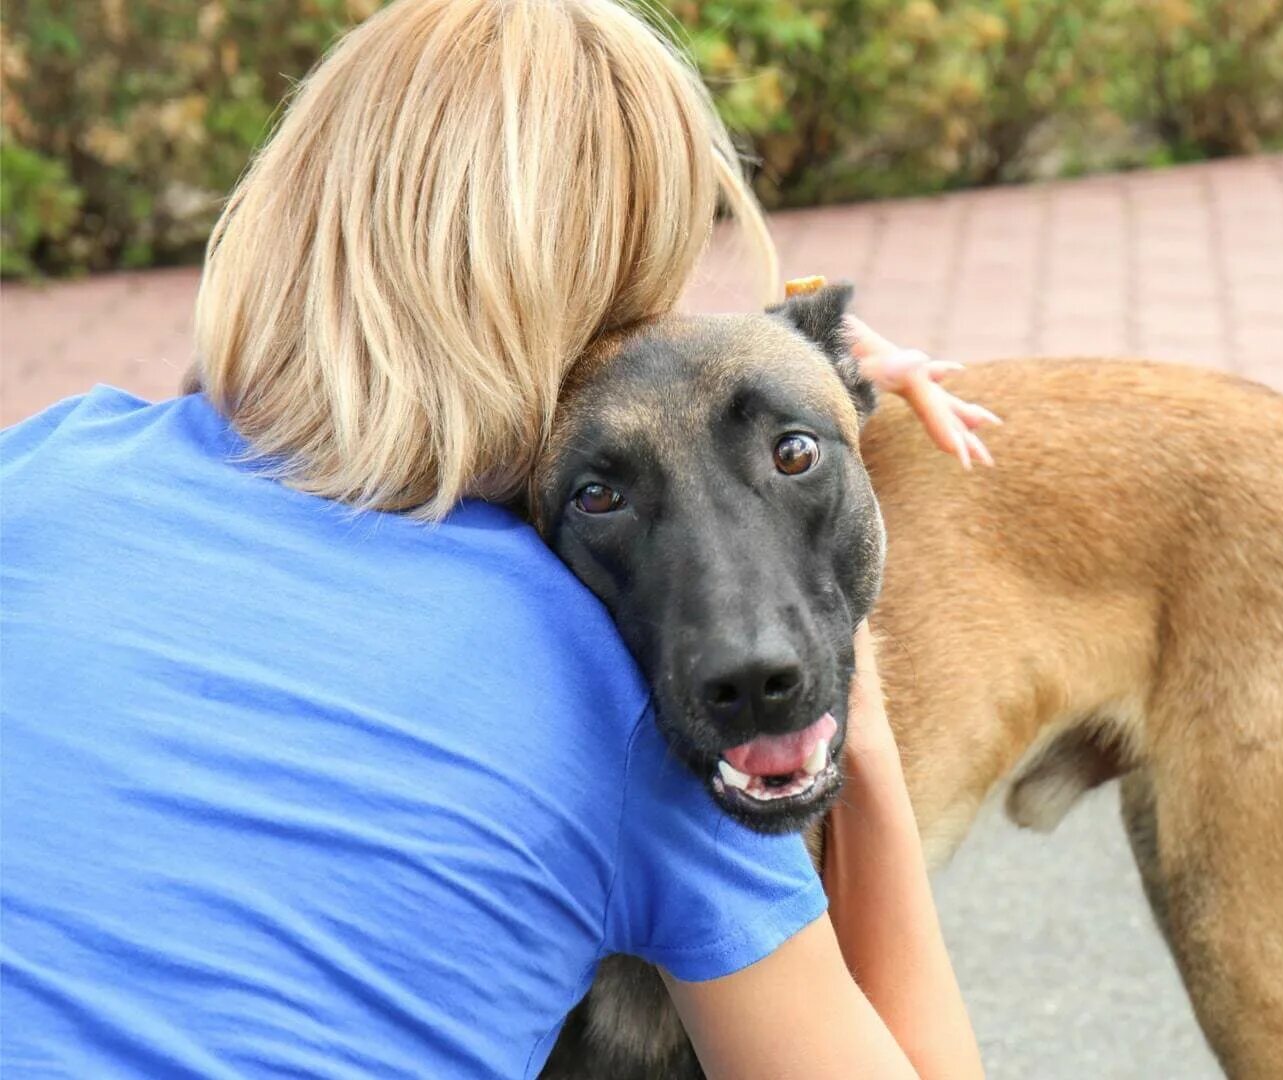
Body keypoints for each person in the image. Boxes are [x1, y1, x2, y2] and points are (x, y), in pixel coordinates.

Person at [0, 0, 992, 1076]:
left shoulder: (42, 465)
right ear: (593, 303)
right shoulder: (584, 679)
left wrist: (787, 362)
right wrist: (869, 734)